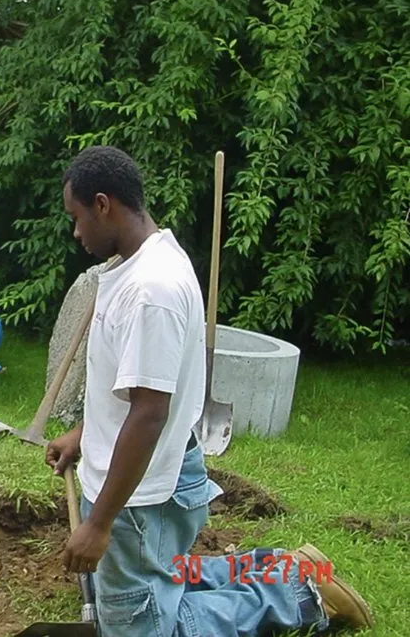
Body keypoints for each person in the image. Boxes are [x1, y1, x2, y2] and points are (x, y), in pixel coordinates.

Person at [44, 146, 373, 635]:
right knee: (155, 574)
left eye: (77, 218)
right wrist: (86, 434)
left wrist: (97, 524)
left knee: (147, 628)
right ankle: (279, 568)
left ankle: (297, 593)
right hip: (147, 474)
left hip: (139, 495)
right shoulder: (143, 264)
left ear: (103, 204)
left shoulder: (150, 290)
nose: (76, 232)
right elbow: (135, 390)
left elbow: (150, 413)